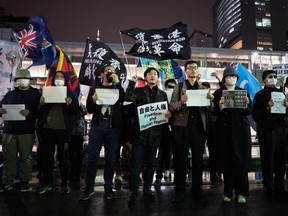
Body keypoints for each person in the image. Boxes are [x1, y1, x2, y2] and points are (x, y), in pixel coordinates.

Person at [169, 60, 214, 203]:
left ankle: (197, 189)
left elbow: (210, 109)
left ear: (198, 71)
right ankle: (179, 190)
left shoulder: (203, 88)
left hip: (199, 128)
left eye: (195, 68)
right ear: (186, 71)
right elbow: (171, 106)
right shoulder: (179, 86)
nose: (193, 70)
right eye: (190, 68)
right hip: (182, 127)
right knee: (180, 159)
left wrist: (211, 101)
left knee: (198, 160)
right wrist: (182, 102)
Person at [125, 67, 172, 202]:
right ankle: (133, 190)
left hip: (155, 135)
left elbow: (166, 111)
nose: (152, 76)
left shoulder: (162, 94)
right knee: (136, 163)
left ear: (158, 78)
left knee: (151, 164)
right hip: (139, 134)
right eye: (149, 74)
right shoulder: (138, 91)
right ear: (145, 78)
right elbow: (128, 101)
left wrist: (168, 114)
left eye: (155, 74)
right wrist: (132, 84)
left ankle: (147, 189)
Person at [80, 65, 125, 201]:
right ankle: (89, 188)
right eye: (107, 71)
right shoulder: (95, 89)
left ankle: (108, 188)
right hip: (98, 126)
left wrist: (118, 83)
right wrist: (93, 100)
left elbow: (122, 100)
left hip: (113, 128)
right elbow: (89, 109)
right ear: (102, 74)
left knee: (111, 160)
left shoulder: (117, 88)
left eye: (112, 71)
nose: (110, 73)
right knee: (92, 158)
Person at [212, 67, 252, 203]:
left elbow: (249, 111)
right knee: (227, 162)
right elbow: (213, 112)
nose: (231, 78)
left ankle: (242, 192)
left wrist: (246, 104)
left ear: (237, 78)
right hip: (224, 131)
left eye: (233, 76)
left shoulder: (242, 92)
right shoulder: (218, 94)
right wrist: (219, 106)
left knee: (241, 162)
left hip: (240, 131)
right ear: (224, 79)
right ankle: (228, 192)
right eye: (228, 76)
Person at [36, 71, 79, 195]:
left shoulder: (71, 93)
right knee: (47, 157)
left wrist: (70, 104)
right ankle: (46, 183)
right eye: (56, 77)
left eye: (61, 77)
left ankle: (64, 183)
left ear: (65, 80)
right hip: (47, 129)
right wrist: (42, 104)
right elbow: (39, 112)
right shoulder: (47, 91)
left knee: (63, 157)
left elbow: (76, 111)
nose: (59, 79)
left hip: (63, 130)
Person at [0, 69, 41, 192]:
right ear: (16, 81)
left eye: (24, 79)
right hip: (9, 130)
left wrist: (30, 113)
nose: (21, 81)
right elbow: (1, 108)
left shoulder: (36, 95)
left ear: (29, 80)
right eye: (19, 79)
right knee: (9, 158)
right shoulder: (10, 94)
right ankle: (7, 181)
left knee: (26, 157)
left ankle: (25, 181)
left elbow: (40, 113)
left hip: (26, 131)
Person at [253, 70, 288, 195]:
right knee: (268, 158)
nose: (273, 78)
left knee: (281, 158)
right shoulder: (259, 95)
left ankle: (280, 185)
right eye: (270, 77)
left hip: (281, 129)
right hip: (267, 130)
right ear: (264, 80)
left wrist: (286, 106)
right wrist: (267, 108)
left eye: (275, 76)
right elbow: (255, 115)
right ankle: (268, 185)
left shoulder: (281, 93)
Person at [154, 79, 176, 186]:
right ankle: (158, 176)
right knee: (162, 152)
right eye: (169, 86)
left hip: (177, 127)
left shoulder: (179, 97)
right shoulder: (161, 96)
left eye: (173, 86)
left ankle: (179, 177)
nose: (171, 88)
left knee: (177, 153)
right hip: (164, 128)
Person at [69, 100, 87, 189]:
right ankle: (72, 170)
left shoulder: (81, 106)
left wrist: (79, 104)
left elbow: (84, 112)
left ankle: (78, 171)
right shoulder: (69, 104)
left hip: (79, 132)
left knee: (79, 152)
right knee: (71, 152)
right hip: (70, 131)